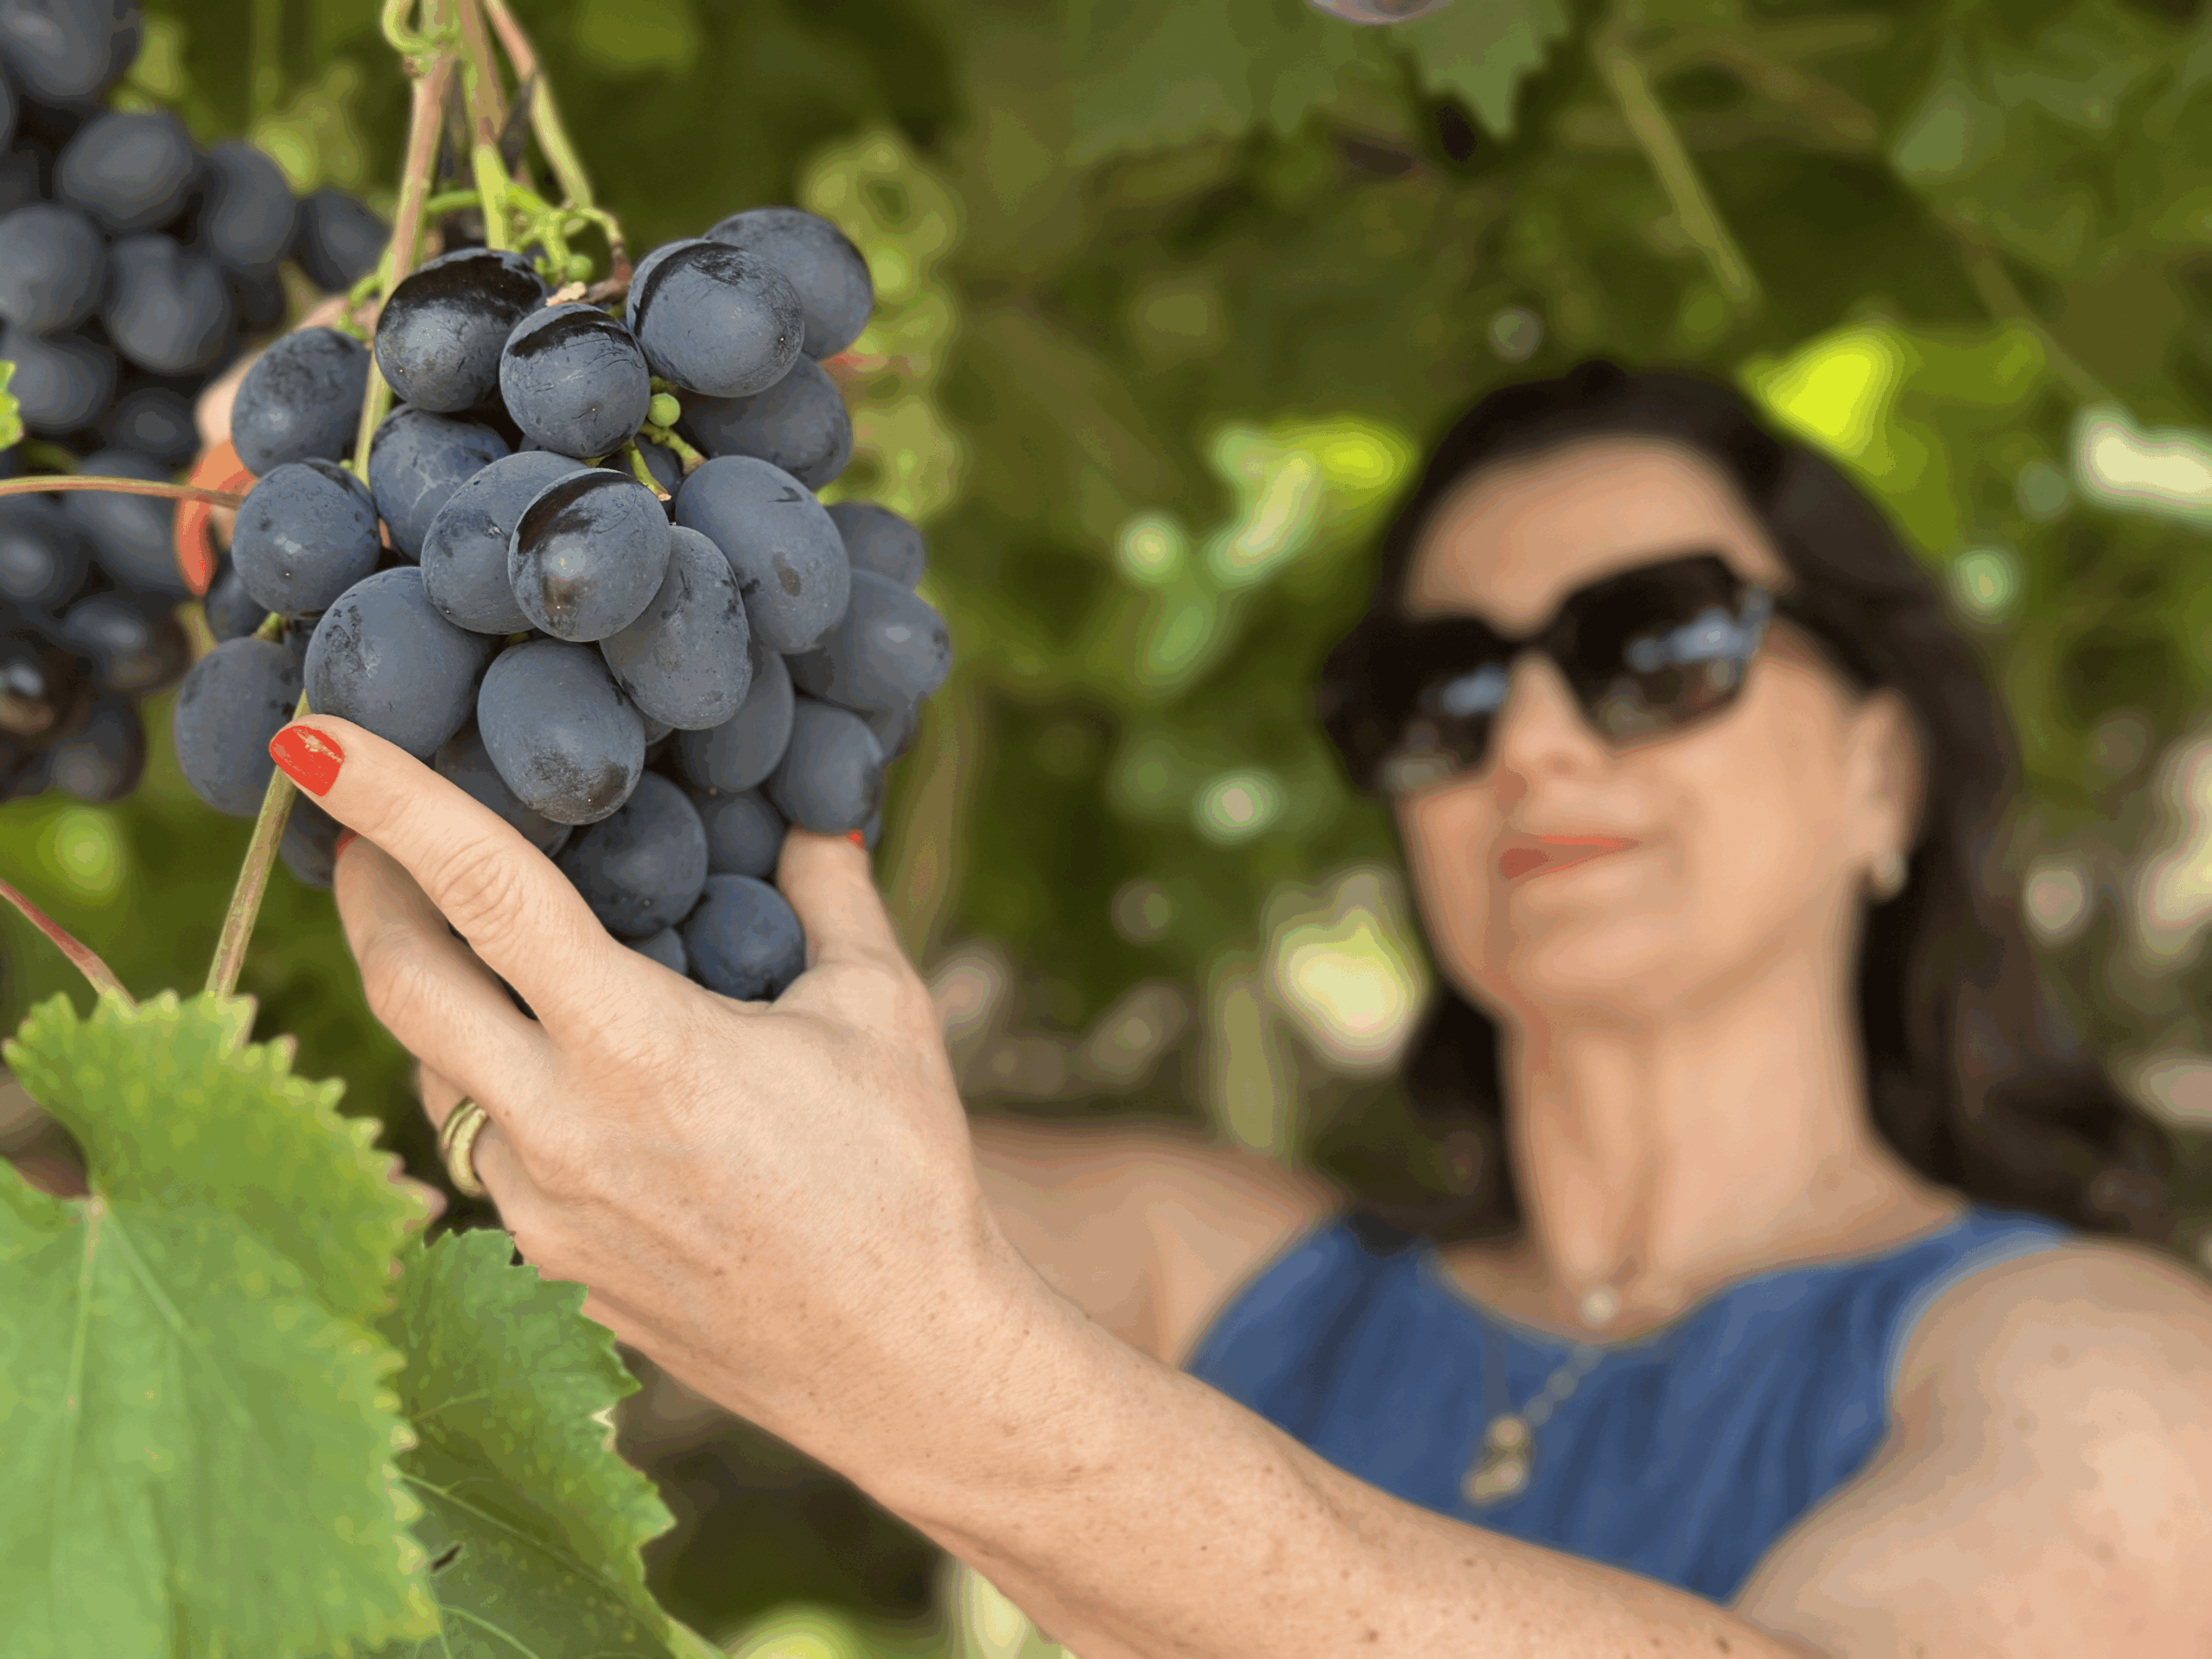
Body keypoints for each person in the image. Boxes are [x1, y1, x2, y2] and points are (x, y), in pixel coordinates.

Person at [268, 359, 2212, 1657]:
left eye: (1653, 645)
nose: (1533, 738)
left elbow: (869, 1291)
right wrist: (385, 485)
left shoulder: (2106, 1368)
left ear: (1886, 765)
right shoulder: (1218, 1266)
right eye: (1441, 690)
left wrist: (936, 1379)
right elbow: (659, 1155)